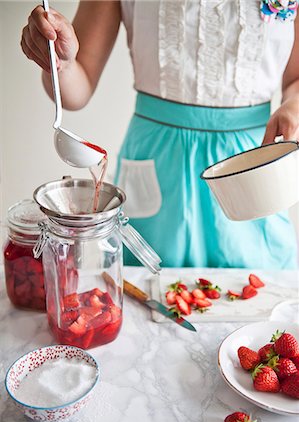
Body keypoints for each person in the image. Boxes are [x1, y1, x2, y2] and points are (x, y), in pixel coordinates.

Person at [21, 0, 299, 269]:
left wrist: (295, 105)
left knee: (263, 304)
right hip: (159, 157)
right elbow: (77, 88)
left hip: (251, 164)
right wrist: (61, 62)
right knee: (146, 295)